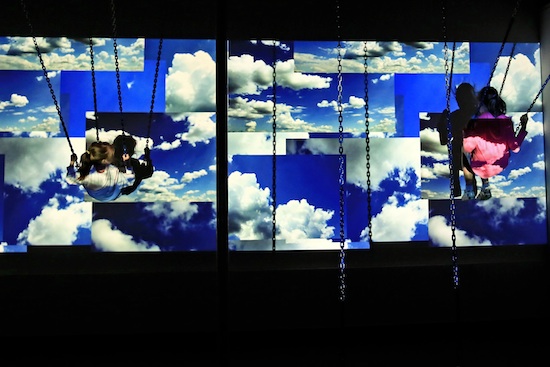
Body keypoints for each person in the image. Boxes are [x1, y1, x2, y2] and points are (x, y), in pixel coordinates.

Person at [462, 86, 529, 200]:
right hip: (500, 167)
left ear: (481, 105)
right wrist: (523, 126)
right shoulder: (506, 122)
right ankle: (486, 187)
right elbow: (515, 148)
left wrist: (465, 133)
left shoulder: (477, 123)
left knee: (463, 151)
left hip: (479, 168)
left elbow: (468, 147)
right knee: (484, 152)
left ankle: (469, 191)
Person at [437, 82, 479, 199]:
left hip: (473, 154)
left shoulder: (478, 114)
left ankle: (465, 187)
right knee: (459, 151)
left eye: (466, 97)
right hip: (459, 154)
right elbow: (444, 141)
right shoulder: (454, 117)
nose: (463, 101)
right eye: (461, 98)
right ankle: (457, 187)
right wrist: (442, 124)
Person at [66, 141, 135, 202]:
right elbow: (131, 178)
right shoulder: (113, 172)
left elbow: (70, 178)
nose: (113, 157)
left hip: (99, 195)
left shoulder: (85, 173)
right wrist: (127, 163)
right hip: (112, 195)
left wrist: (72, 163)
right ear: (104, 161)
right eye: (112, 155)